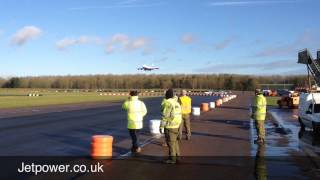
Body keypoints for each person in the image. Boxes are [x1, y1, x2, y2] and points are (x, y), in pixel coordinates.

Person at [160, 89, 182, 164]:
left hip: (170, 126)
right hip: (177, 124)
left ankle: (172, 159)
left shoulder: (168, 103)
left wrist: (161, 126)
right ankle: (177, 157)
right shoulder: (176, 103)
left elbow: (165, 116)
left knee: (170, 143)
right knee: (175, 142)